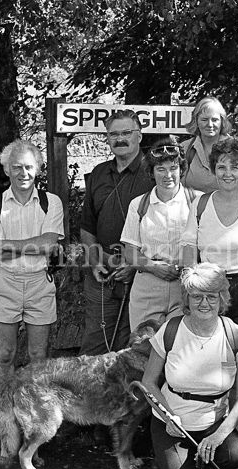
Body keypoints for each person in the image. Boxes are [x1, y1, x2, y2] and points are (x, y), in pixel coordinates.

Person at [142, 263, 238, 469]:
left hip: (213, 423)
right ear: (187, 299)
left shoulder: (235, 335)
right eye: (197, 297)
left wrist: (220, 433)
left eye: (211, 296)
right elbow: (148, 382)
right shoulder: (170, 329)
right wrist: (168, 416)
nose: (204, 303)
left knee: (237, 454)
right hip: (171, 424)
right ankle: (167, 468)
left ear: (222, 299)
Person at [0, 140, 65, 434]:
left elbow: (50, 244)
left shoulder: (50, 202)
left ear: (38, 169)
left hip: (40, 283)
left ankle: (33, 416)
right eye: (17, 167)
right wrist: (32, 246)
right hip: (6, 282)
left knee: (38, 356)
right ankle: (5, 414)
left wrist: (11, 246)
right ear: (7, 169)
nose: (23, 173)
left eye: (29, 167)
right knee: (5, 354)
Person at [181, 137, 238, 337]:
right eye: (221, 167)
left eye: (235, 167)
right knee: (209, 346)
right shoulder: (200, 205)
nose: (228, 173)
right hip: (210, 287)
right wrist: (192, 294)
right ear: (214, 170)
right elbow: (189, 251)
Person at [80, 110, 155, 356]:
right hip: (102, 273)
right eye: (114, 134)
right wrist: (94, 261)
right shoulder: (98, 174)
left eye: (126, 133)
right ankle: (91, 395)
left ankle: (129, 396)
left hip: (142, 276)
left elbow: (168, 228)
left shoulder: (155, 174)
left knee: (134, 349)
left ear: (140, 136)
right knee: (95, 345)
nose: (120, 139)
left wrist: (135, 265)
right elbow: (87, 226)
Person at [121, 137, 202, 330]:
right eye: (160, 169)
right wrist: (154, 267)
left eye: (173, 168)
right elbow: (130, 252)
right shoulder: (139, 205)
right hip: (148, 285)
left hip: (185, 284)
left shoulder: (197, 201)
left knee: (181, 347)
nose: (168, 175)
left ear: (181, 170)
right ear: (151, 172)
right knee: (143, 348)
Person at [181, 97, 238, 193]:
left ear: (222, 121)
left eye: (214, 120)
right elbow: (178, 189)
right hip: (193, 206)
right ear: (196, 121)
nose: (210, 124)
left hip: (229, 205)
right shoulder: (185, 148)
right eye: (204, 120)